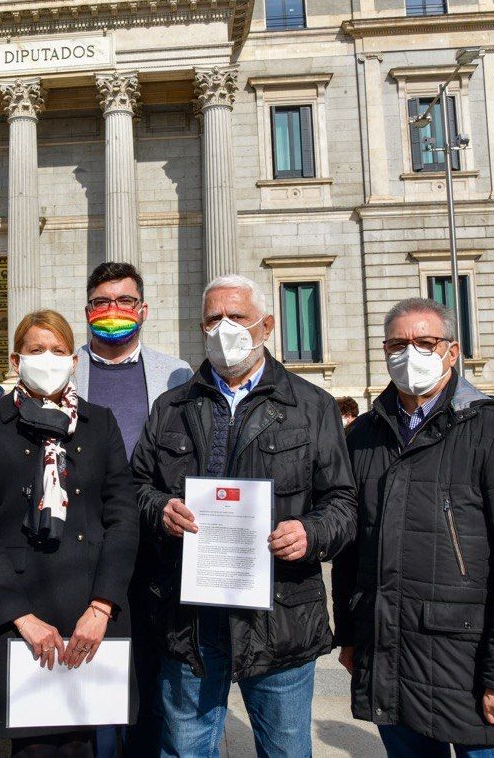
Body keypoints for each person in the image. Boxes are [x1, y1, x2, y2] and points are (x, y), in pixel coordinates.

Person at [132, 274, 356, 758]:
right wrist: (159, 511)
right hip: (190, 620)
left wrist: (310, 533)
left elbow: (343, 502)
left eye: (236, 316)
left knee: (285, 749)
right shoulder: (171, 407)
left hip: (279, 616)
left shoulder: (311, 406)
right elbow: (136, 489)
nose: (223, 328)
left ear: (267, 325)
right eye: (214, 318)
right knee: (185, 750)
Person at [332, 298, 494, 758]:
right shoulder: (363, 437)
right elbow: (351, 552)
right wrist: (352, 635)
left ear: (453, 352)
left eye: (425, 342)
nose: (409, 353)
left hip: (474, 671)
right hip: (391, 661)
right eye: (398, 344)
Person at [0, 309, 140, 757]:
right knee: (34, 745)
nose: (48, 358)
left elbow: (123, 516)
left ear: (74, 361)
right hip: (22, 607)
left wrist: (102, 607)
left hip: (90, 605)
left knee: (91, 739)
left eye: (58, 350)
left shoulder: (101, 423)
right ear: (16, 361)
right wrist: (21, 616)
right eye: (36, 350)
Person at [73, 261, 191, 754]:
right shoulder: (64, 369)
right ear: (87, 312)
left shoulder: (176, 375)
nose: (114, 310)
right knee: (87, 670)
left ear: (143, 310)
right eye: (103, 302)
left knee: (147, 669)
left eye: (125, 301)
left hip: (153, 548)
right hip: (83, 549)